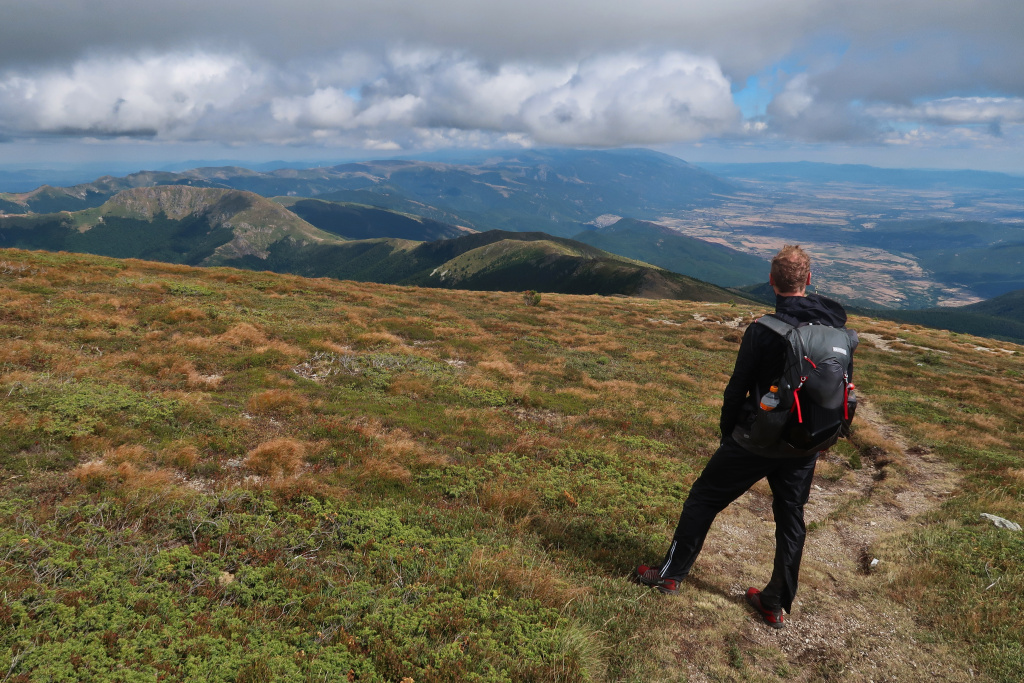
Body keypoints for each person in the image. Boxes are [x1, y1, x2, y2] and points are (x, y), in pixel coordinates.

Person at [635, 245, 855, 629]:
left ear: (771, 281)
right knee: (791, 519)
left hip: (754, 440)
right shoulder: (837, 334)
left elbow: (736, 390)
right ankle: (773, 604)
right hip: (804, 443)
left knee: (703, 499)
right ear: (810, 278)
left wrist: (728, 433)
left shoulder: (762, 330)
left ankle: (670, 575)